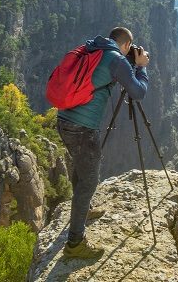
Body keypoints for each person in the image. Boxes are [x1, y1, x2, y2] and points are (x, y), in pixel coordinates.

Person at [57, 26, 150, 259]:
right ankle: (75, 243)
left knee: (81, 168)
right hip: (82, 128)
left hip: (64, 119)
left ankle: (83, 210)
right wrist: (140, 67)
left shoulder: (92, 48)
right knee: (89, 179)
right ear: (127, 45)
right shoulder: (116, 60)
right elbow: (138, 92)